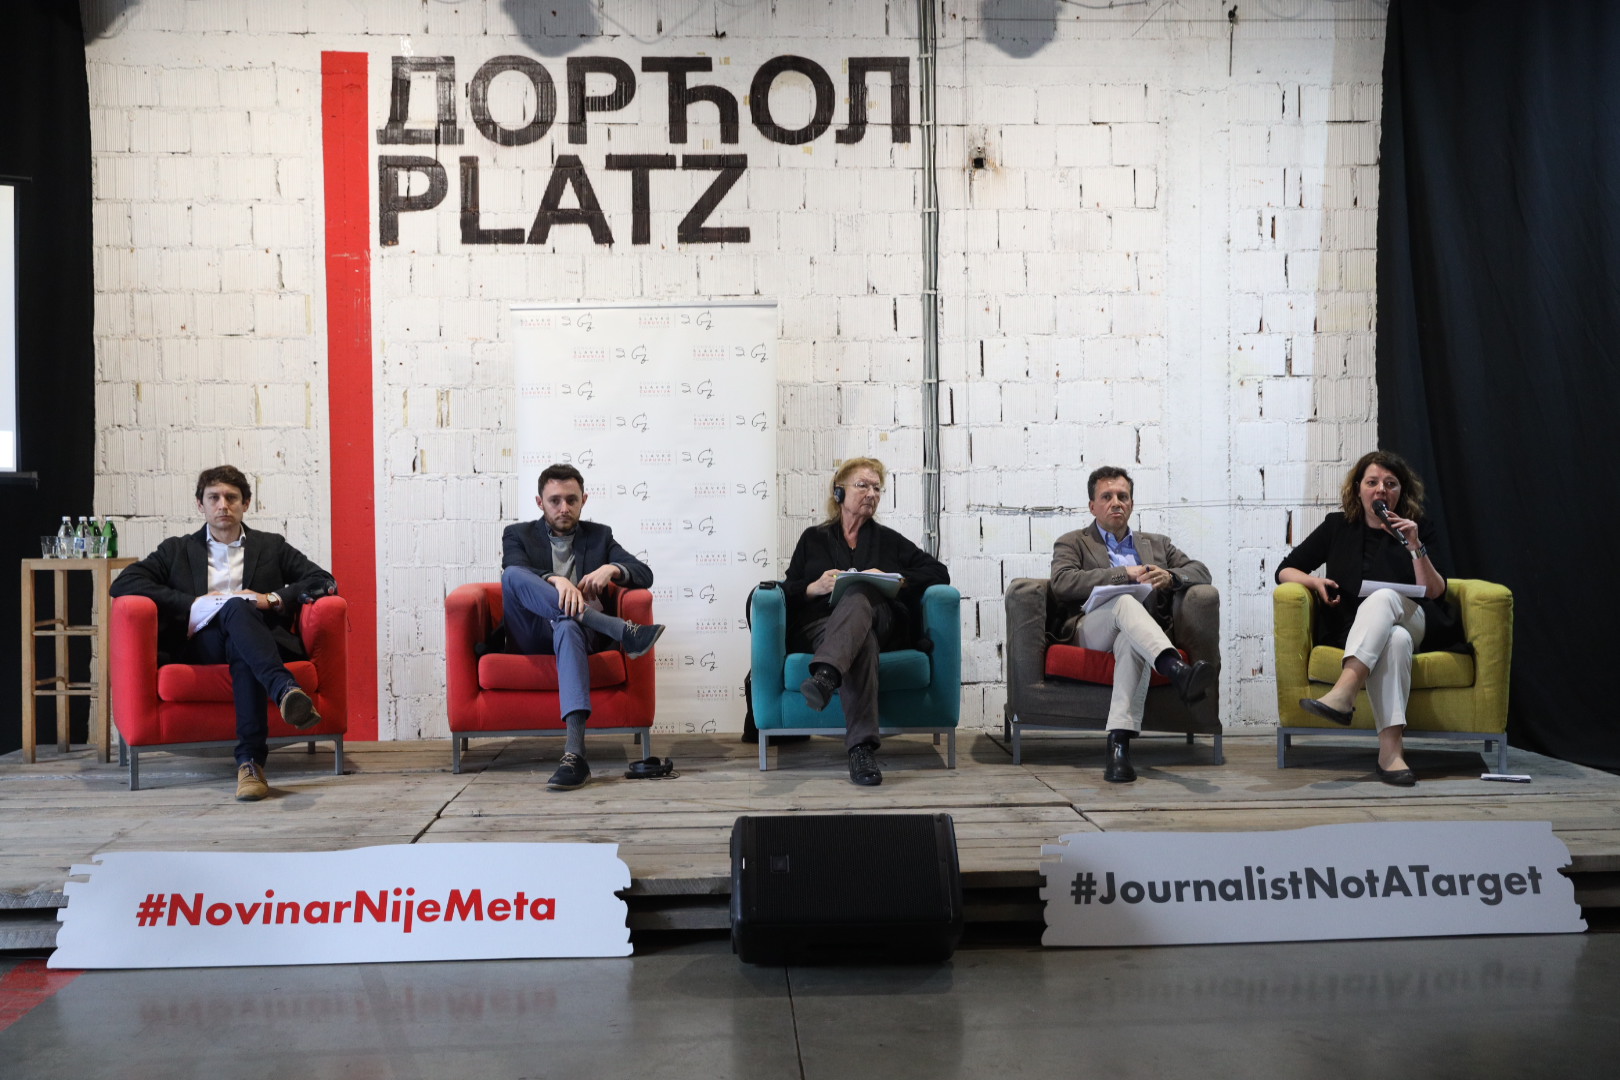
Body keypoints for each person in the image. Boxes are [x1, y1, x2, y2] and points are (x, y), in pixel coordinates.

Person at [110, 466, 335, 802]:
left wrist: (272, 599)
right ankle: (283, 690)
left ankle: (250, 766)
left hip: (257, 641)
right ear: (200, 505)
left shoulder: (271, 546)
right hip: (202, 644)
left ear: (246, 503)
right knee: (235, 608)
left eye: (231, 497)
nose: (223, 505)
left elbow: (323, 580)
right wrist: (193, 603)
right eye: (213, 497)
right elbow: (124, 583)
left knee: (240, 623)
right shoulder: (176, 550)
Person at [1276, 450, 1453, 786]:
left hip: (1415, 617)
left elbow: (1434, 591)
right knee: (1395, 640)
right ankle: (1391, 754)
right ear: (1358, 489)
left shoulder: (1418, 528)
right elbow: (1285, 570)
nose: (1381, 489)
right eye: (1372, 482)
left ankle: (1344, 692)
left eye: (1390, 484)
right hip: (1359, 629)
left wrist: (1415, 546)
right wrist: (1315, 582)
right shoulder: (1337, 526)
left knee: (1384, 598)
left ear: (1401, 492)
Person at [783, 457, 950, 786]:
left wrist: (894, 577)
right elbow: (788, 588)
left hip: (882, 621)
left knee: (859, 591)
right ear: (839, 492)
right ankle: (861, 750)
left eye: (877, 488)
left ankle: (826, 675)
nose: (871, 493)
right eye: (862, 485)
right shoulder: (812, 539)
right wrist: (814, 587)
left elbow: (938, 572)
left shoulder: (889, 540)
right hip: (824, 627)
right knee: (862, 644)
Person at [500, 463, 664, 792]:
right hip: (532, 632)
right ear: (540, 502)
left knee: (568, 626)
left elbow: (643, 573)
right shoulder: (517, 534)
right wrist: (556, 579)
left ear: (583, 500)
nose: (564, 508)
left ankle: (575, 756)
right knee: (512, 575)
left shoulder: (599, 536)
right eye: (555, 500)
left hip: (576, 637)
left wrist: (612, 569)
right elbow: (515, 569)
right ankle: (621, 630)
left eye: (571, 500)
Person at [1049, 466, 1216, 783]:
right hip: (1091, 630)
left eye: (1122, 496)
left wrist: (1172, 576)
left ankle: (1118, 748)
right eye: (1107, 497)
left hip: (1137, 634)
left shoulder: (1157, 544)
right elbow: (1062, 582)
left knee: (1130, 644)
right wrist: (1122, 574)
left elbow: (1201, 571)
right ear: (1093, 506)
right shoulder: (1073, 542)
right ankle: (1175, 669)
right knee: (1125, 601)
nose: (1116, 502)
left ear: (1132, 504)